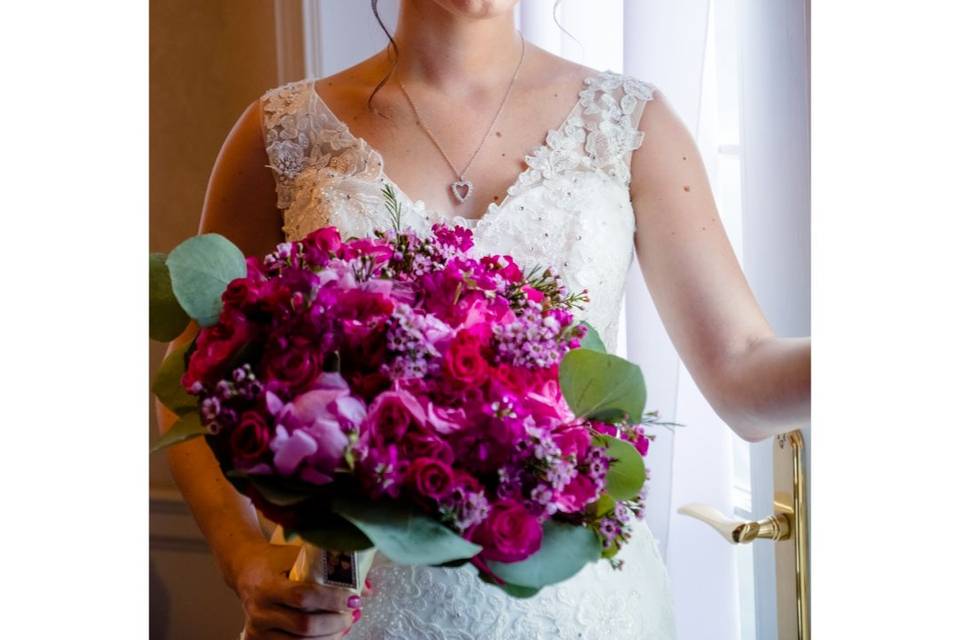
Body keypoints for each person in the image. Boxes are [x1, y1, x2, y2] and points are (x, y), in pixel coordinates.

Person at [156, 1, 811, 638]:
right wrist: (242, 558)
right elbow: (193, 375)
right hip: (355, 614)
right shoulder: (284, 131)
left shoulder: (631, 124)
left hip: (583, 615)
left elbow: (743, 368)